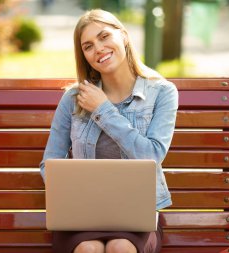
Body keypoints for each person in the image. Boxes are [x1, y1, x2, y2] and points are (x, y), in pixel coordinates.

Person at [39, 9, 178, 253]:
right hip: (81, 216)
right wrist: (71, 195)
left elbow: (153, 155)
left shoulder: (162, 93)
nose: (99, 49)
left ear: (123, 36)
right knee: (88, 250)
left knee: (121, 248)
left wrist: (103, 109)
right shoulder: (73, 98)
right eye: (88, 46)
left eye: (104, 37)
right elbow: (49, 164)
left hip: (136, 216)